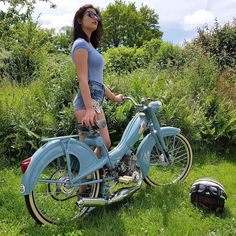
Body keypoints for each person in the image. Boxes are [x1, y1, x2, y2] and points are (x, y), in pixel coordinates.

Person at [71, 4, 123, 154]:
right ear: (80, 20)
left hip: (95, 102)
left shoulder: (90, 46)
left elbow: (97, 81)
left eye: (97, 16)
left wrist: (113, 97)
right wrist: (88, 109)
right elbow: (82, 78)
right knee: (90, 147)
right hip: (86, 103)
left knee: (103, 144)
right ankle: (83, 176)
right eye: (90, 15)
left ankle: (89, 176)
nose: (95, 18)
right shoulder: (80, 44)